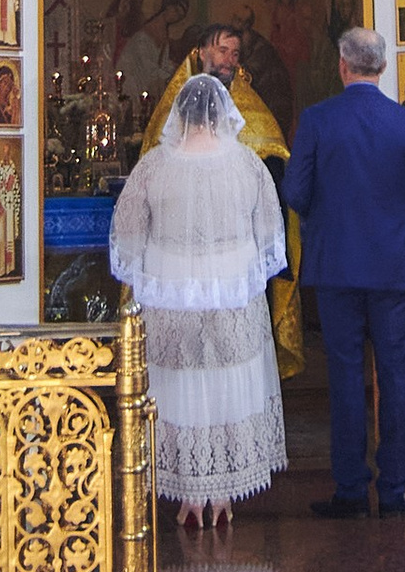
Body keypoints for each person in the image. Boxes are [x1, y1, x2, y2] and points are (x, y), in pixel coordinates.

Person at [108, 71, 288, 531]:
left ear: (180, 115)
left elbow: (126, 236)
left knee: (178, 386)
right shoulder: (247, 163)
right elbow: (270, 234)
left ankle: (190, 494)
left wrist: (152, 266)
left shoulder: (153, 166)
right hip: (231, 294)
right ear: (224, 112)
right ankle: (223, 492)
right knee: (230, 379)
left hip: (172, 294)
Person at [285, 25, 405, 520]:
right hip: (393, 265)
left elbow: (294, 193)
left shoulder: (317, 120)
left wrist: (327, 217)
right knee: (395, 374)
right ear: (383, 66)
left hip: (335, 265)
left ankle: (351, 488)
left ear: (342, 65)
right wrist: (394, 213)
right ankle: (395, 491)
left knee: (346, 376)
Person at [141, 16, 299, 372]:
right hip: (182, 251)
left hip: (235, 252)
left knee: (236, 353)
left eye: (235, 53)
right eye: (222, 49)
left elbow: (272, 176)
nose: (229, 59)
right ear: (200, 52)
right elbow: (154, 175)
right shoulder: (172, 110)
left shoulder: (254, 111)